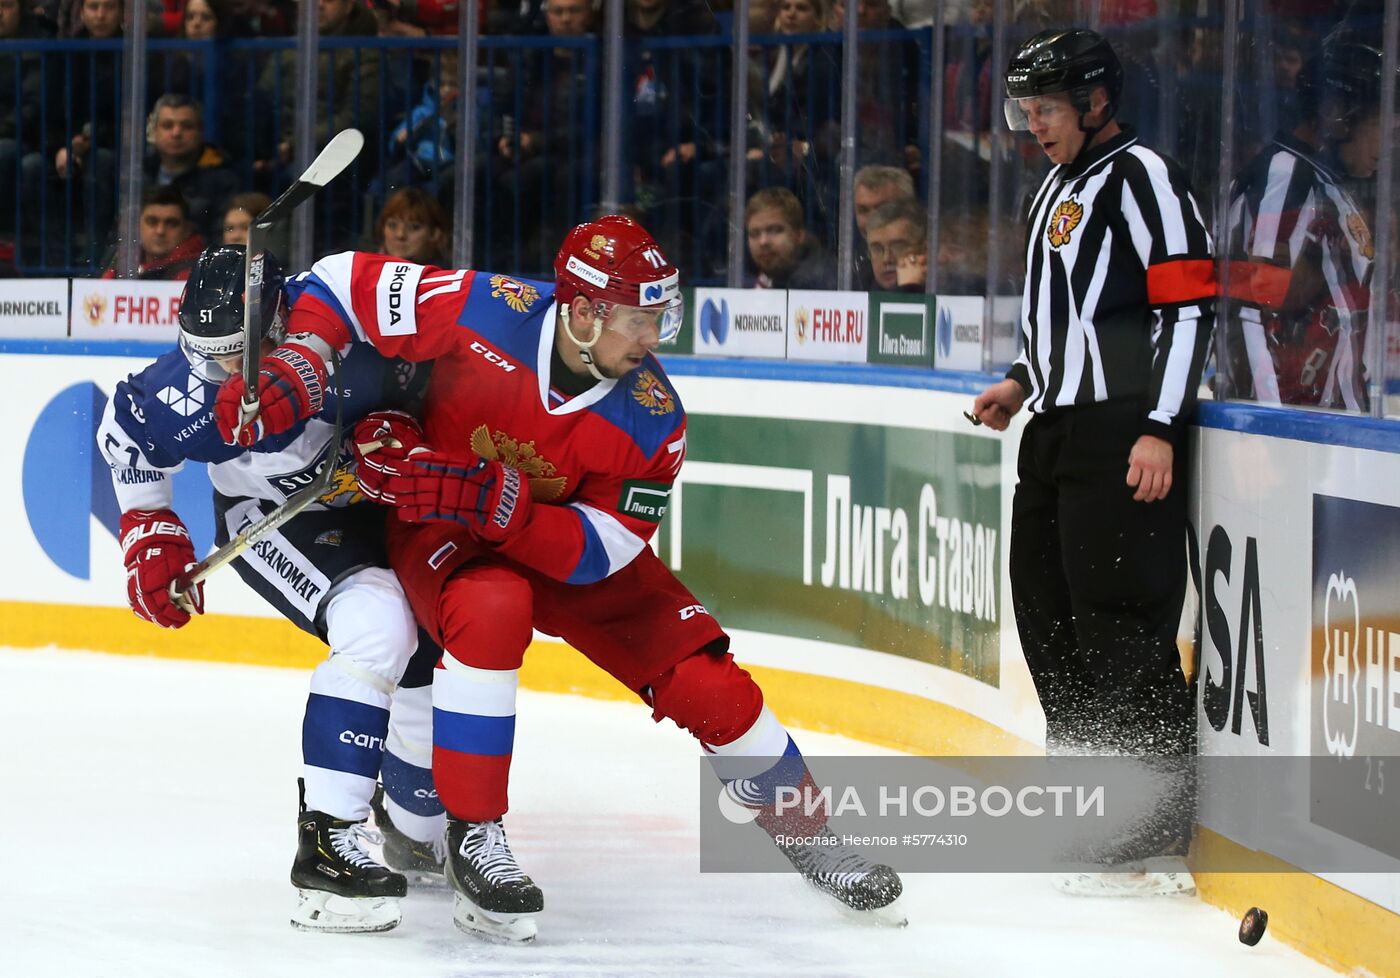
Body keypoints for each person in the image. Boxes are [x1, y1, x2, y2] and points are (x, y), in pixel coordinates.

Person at [211, 215, 904, 943]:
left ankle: (809, 833)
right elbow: (339, 281)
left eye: (660, 318)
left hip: (559, 541)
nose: (652, 340)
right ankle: (476, 835)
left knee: (706, 681)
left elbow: (603, 550)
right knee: (494, 605)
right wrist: (306, 354)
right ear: (582, 310)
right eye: (640, 319)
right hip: (445, 526)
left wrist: (509, 509)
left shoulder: (653, 418)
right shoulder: (485, 309)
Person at [96, 244, 448, 934]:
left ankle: (417, 820)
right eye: (206, 356)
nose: (221, 377)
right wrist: (151, 531)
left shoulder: (362, 330)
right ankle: (328, 844)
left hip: (390, 505)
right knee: (377, 623)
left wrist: (414, 440)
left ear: (284, 325)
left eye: (237, 355)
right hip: (279, 520)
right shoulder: (185, 392)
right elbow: (129, 437)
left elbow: (461, 383)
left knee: (431, 649)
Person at [970, 29, 1214, 896]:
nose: (1031, 123)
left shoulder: (1145, 175)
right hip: (1056, 429)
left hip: (1122, 432)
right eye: (1023, 108)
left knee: (1119, 618)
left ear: (1097, 102)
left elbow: (1187, 309)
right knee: (1046, 609)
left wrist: (1160, 424)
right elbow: (1064, 316)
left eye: (1046, 107)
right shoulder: (1054, 185)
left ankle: (1147, 830)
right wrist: (1019, 379)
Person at [1218, 34, 1390, 412]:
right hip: (1293, 426)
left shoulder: (1325, 182)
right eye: (1382, 125)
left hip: (1331, 422)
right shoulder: (1285, 174)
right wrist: (1263, 423)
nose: (1390, 143)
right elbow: (1253, 310)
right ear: (1335, 112)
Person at [143, 94, 240, 242]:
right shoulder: (137, 175)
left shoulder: (222, 181)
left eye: (186, 126)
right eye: (168, 125)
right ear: (154, 131)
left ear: (201, 132)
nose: (176, 133)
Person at [101, 185, 206, 280]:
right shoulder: (120, 265)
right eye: (152, 222)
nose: (160, 231)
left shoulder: (196, 273)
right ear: (136, 225)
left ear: (187, 229)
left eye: (171, 224)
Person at [745, 187, 831, 288]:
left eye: (774, 230)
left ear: (799, 235)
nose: (763, 242)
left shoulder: (822, 283)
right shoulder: (760, 277)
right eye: (754, 234)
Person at [852, 164, 915, 289]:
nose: (872, 220)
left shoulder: (935, 275)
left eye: (882, 209)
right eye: (863, 210)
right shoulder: (853, 270)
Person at [373, 187, 450, 266]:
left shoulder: (445, 276)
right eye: (392, 225)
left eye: (414, 227)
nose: (400, 234)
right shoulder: (366, 271)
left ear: (434, 233)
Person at [864, 196, 926, 292]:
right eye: (877, 249)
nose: (886, 259)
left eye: (898, 247)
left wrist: (909, 288)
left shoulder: (946, 294)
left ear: (923, 249)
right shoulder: (858, 295)